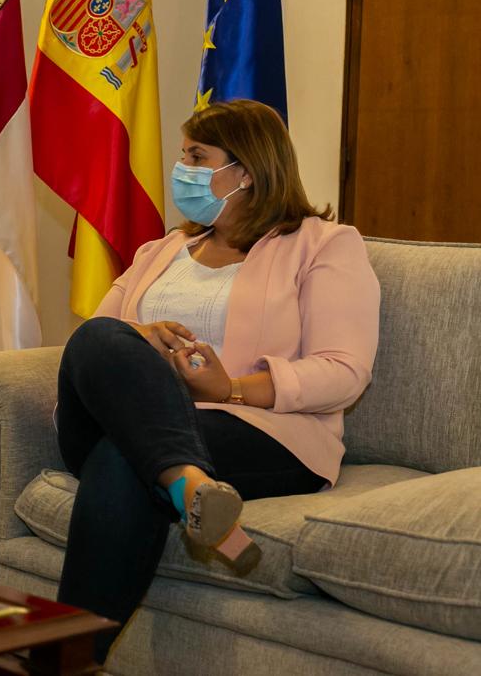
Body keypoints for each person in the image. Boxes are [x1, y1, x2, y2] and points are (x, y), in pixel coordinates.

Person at [54, 100, 379, 661]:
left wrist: (228, 389)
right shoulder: (161, 251)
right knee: (97, 337)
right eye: (183, 155)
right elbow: (103, 340)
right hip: (147, 419)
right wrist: (144, 336)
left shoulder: (322, 244)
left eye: (197, 156)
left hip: (260, 428)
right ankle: (188, 483)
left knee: (121, 462)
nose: (183, 168)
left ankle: (62, 662)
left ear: (245, 171)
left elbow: (344, 370)